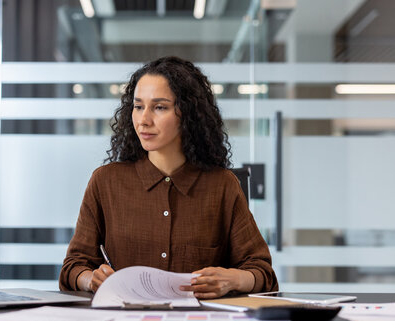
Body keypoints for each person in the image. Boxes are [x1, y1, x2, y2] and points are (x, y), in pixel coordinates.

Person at [59, 56, 278, 299]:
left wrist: (233, 279)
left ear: (188, 113)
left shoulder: (222, 185)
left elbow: (262, 272)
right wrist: (92, 279)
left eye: (159, 107)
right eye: (138, 106)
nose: (143, 120)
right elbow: (72, 267)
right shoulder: (105, 182)